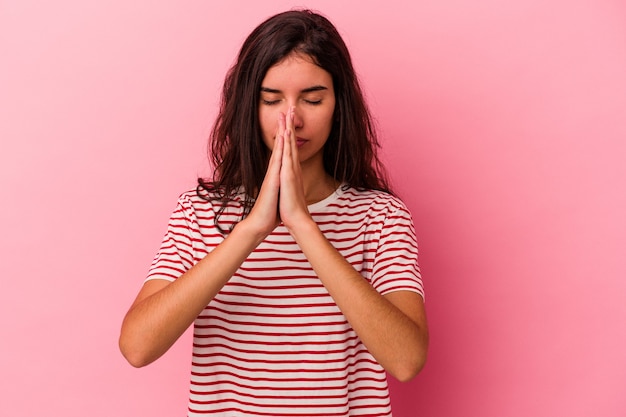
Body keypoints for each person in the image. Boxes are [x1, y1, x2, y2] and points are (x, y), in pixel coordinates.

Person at [119, 9, 428, 416]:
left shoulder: (380, 217)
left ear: (339, 105)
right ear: (249, 105)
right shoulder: (197, 213)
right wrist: (252, 229)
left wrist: (301, 223)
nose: (292, 119)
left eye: (313, 99)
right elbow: (137, 348)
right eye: (272, 100)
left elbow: (406, 360)